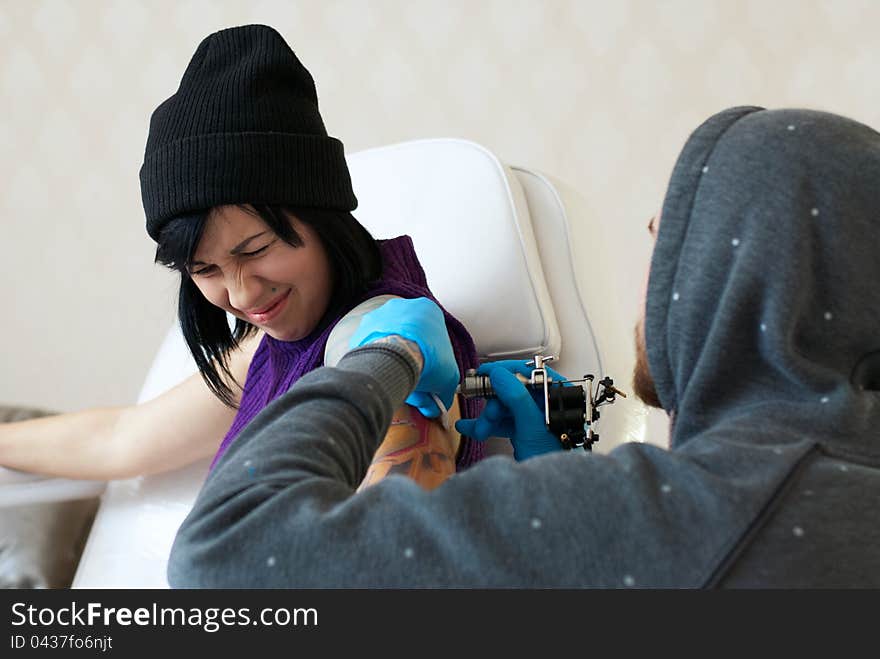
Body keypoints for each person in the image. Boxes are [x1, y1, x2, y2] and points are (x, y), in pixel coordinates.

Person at [168, 105, 880, 588]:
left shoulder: (703, 511)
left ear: (739, 274)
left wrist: (382, 360)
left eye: (665, 240)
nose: (650, 276)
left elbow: (227, 556)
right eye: (204, 269)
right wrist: (553, 472)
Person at [0, 24, 486, 493]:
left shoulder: (377, 340)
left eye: (256, 249)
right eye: (204, 269)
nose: (242, 294)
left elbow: (395, 539)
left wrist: (388, 376)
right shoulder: (279, 338)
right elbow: (123, 439)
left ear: (321, 215)